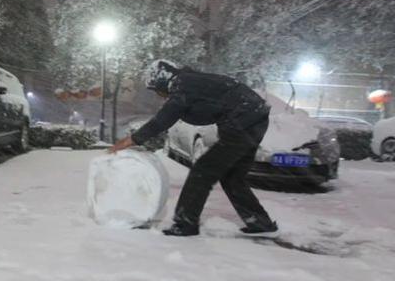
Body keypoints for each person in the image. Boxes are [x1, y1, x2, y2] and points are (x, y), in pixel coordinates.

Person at [110, 60, 278, 237]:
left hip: (244, 122)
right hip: (254, 119)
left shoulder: (183, 86)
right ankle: (260, 222)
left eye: (156, 90)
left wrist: (131, 140)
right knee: (232, 177)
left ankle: (185, 223)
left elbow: (163, 119)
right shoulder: (188, 82)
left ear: (161, 81)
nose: (159, 95)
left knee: (202, 171)